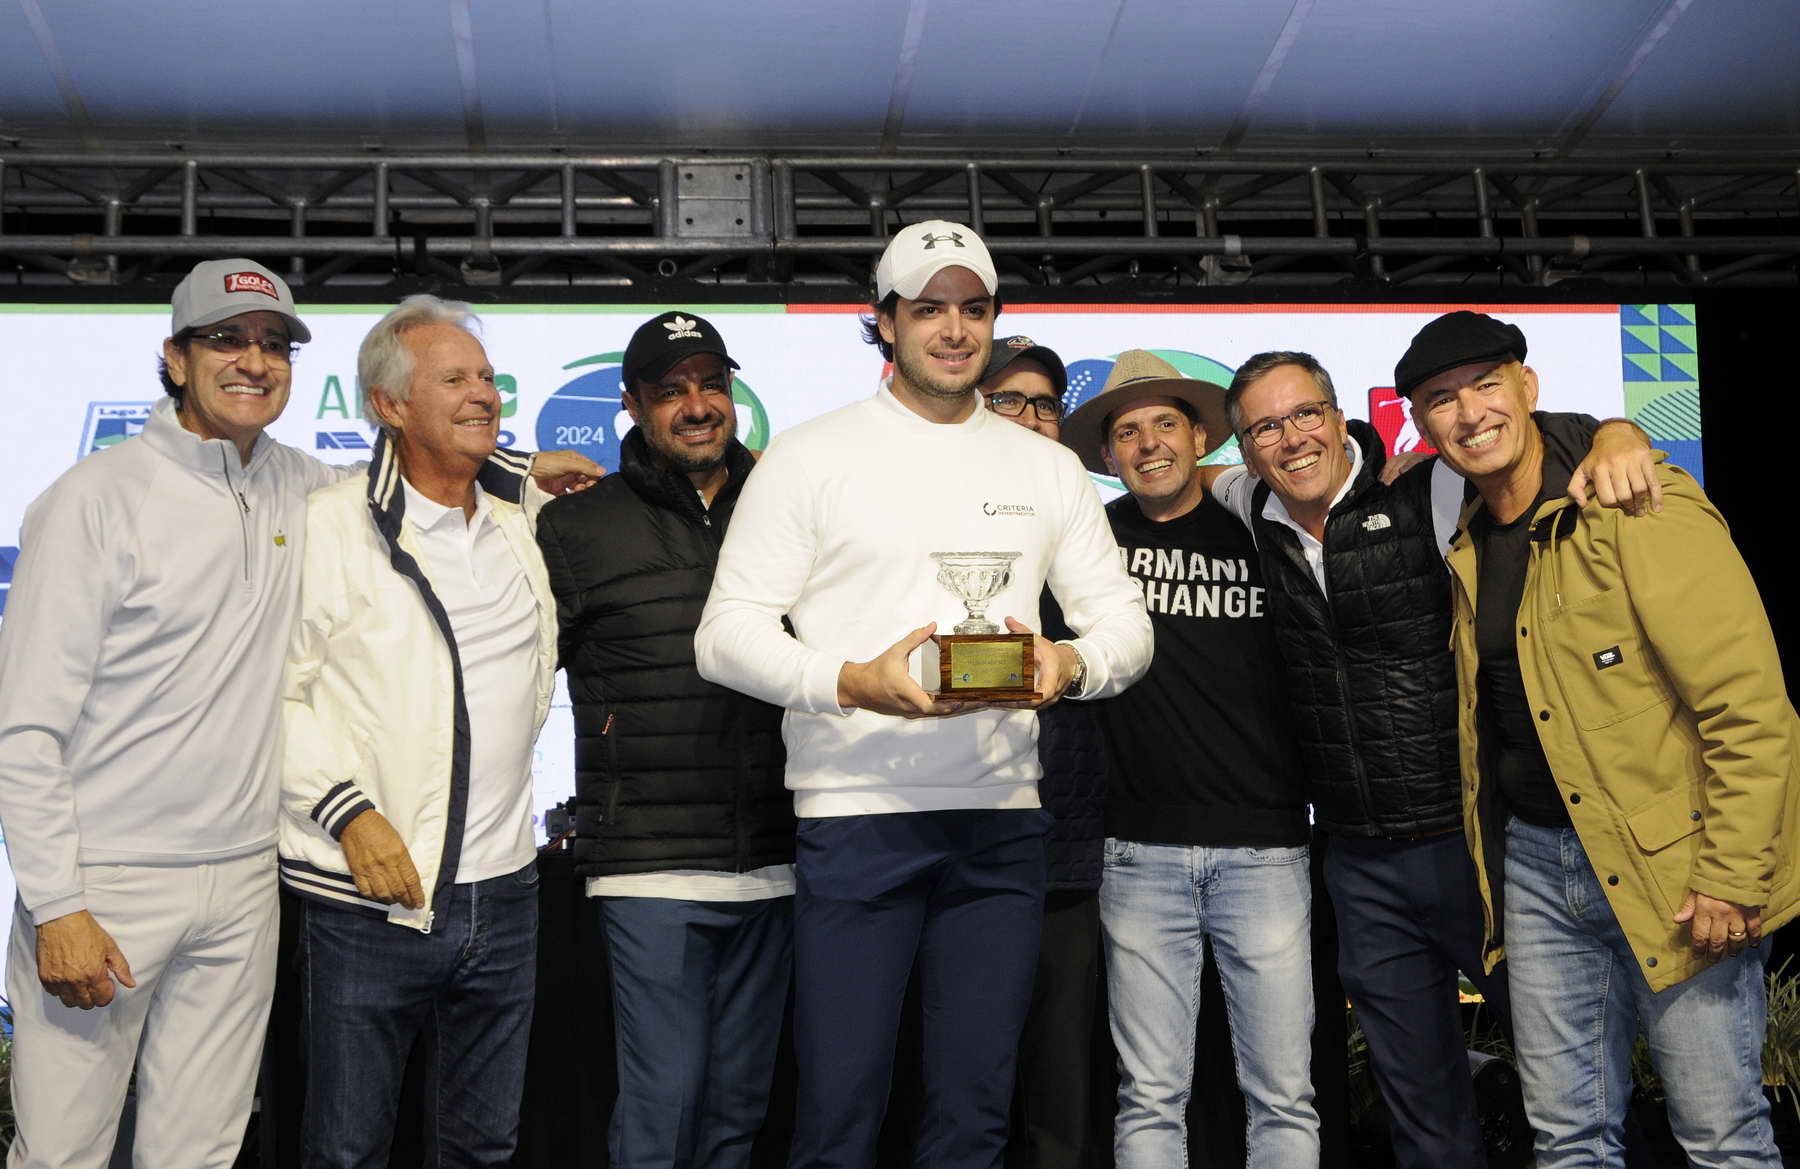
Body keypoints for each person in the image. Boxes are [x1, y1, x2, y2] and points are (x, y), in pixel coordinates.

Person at [694, 220, 1152, 1169]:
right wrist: (848, 681)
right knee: (839, 1114)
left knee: (975, 1118)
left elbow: (1125, 625)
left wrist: (1069, 665)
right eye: (929, 308)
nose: (954, 329)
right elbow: (725, 633)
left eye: (974, 309)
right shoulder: (811, 455)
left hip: (1001, 825)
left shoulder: (1046, 466)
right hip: (857, 815)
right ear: (886, 319)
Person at [1208, 348, 1653, 1168]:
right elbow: (1173, 481)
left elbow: (1523, 440)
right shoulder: (1247, 503)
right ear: (1244, 448)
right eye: (1265, 427)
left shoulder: (1431, 488)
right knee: (1423, 1116)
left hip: (1474, 845)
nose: (1291, 437)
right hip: (1359, 864)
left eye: (1305, 413)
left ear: (1340, 416)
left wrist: (1617, 431)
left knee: (1575, 1092)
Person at [1403, 310, 1799, 1168]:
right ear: (1423, 424)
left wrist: (1734, 872)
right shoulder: (1467, 540)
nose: (1469, 413)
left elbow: (1750, 706)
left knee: (1722, 1136)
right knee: (1568, 1139)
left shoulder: (1637, 502)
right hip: (1538, 870)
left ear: (1528, 387)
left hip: (1678, 869)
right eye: (1441, 399)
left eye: (1485, 385)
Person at [280, 295, 560, 1168]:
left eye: (486, 377)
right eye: (454, 379)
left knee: (484, 1145)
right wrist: (347, 812)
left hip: (507, 891)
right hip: (366, 898)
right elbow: (270, 698)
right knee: (347, 1149)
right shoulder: (330, 525)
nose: (482, 394)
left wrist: (525, 469)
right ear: (389, 404)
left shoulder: (519, 521)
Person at [536, 311, 794, 1169]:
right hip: (649, 861)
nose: (697, 405)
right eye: (671, 391)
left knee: (738, 1111)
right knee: (663, 1110)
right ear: (633, 404)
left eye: (711, 384)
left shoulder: (788, 505)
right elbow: (522, 680)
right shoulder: (578, 526)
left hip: (778, 853)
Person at [1058, 351, 1318, 1169]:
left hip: (1267, 850)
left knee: (1283, 1094)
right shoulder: (1091, 544)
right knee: (1149, 1095)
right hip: (1137, 852)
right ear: (1108, 457)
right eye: (1128, 432)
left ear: (1202, 437)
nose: (1149, 444)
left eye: (1165, 423)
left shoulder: (1262, 522)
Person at [979, 337, 1108, 1169]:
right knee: (966, 1078)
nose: (1030, 418)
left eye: (1045, 403)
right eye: (1008, 399)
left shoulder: (1088, 526)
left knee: (1062, 1086)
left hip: (1068, 848)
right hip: (959, 844)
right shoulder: (924, 524)